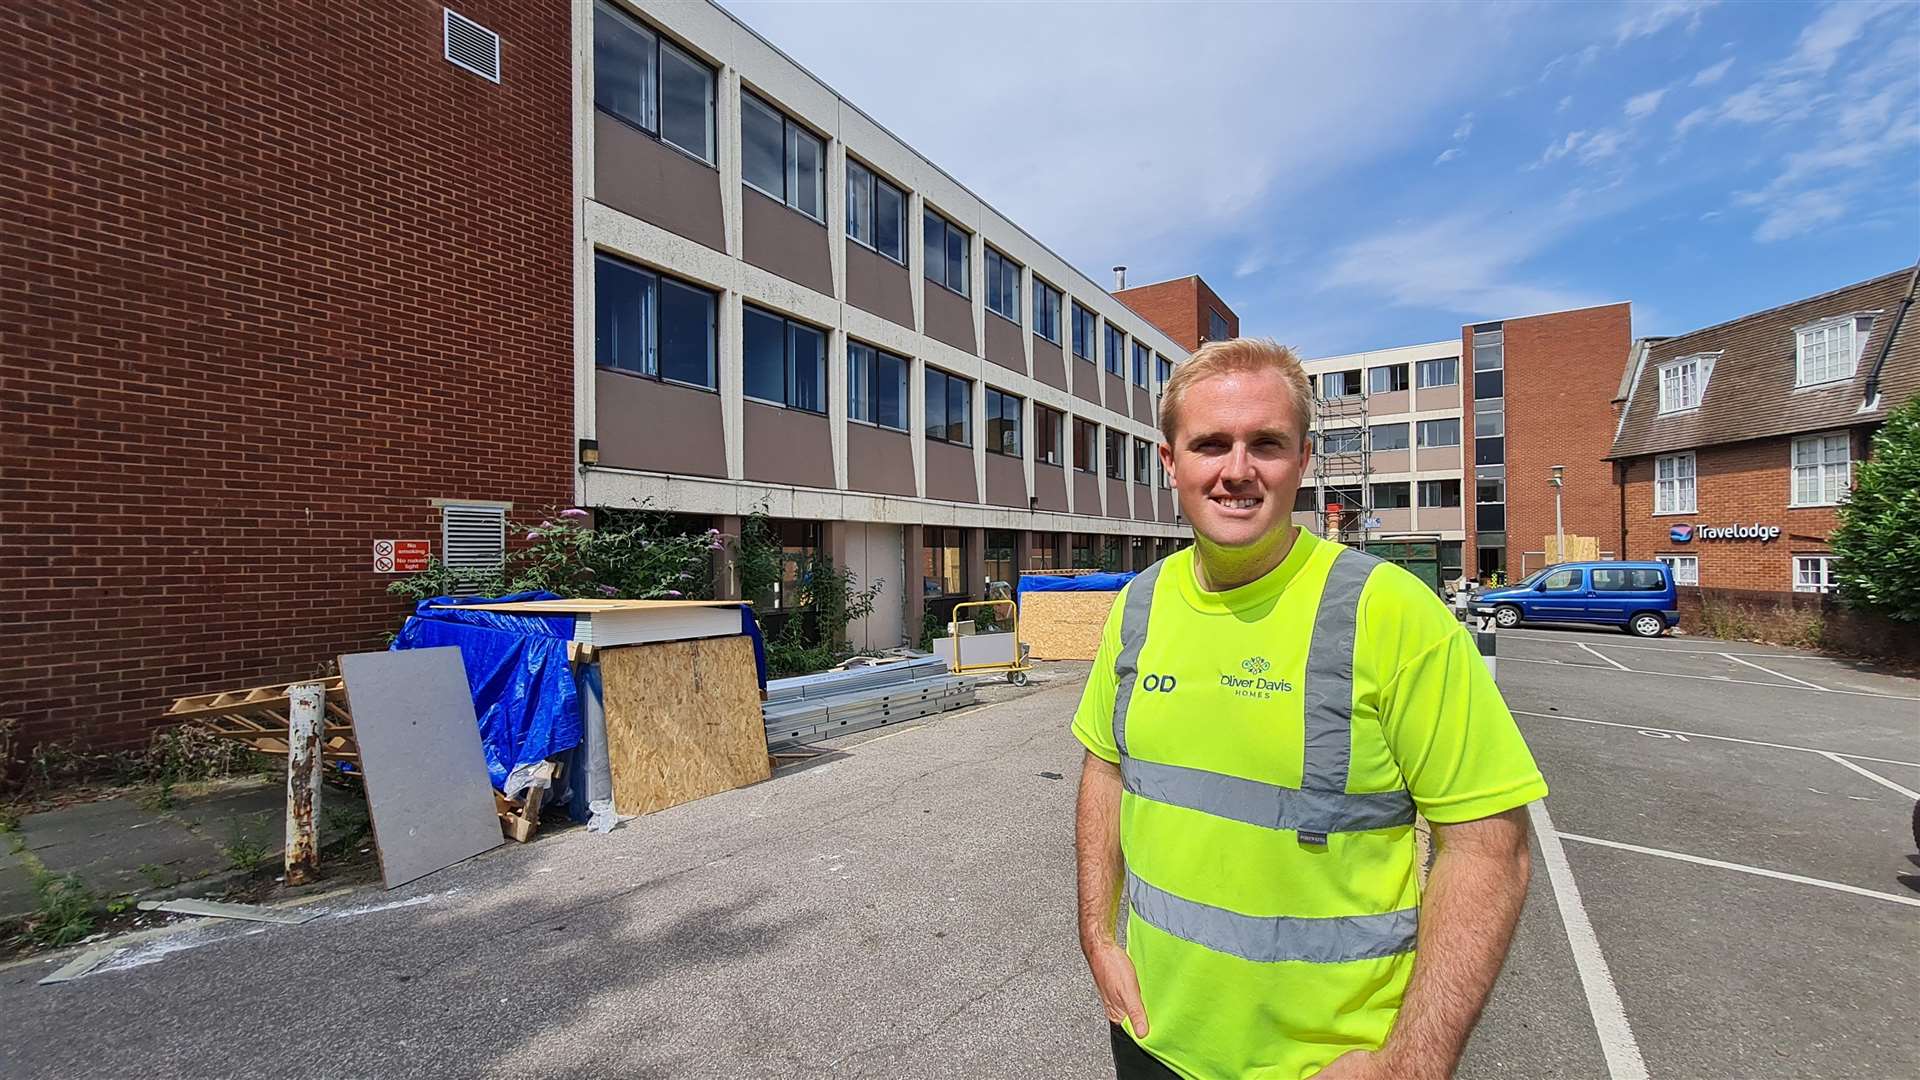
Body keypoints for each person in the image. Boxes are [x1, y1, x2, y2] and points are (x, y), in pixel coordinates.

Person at [1072, 339, 1547, 1079]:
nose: (1237, 470)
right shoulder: (1140, 604)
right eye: (1210, 444)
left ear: (1302, 459)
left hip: (1325, 1064)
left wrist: (1410, 1065)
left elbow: (1491, 848)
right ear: (1171, 463)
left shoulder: (1390, 611)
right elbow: (1106, 769)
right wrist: (1099, 939)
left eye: (1266, 443)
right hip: (1151, 1039)